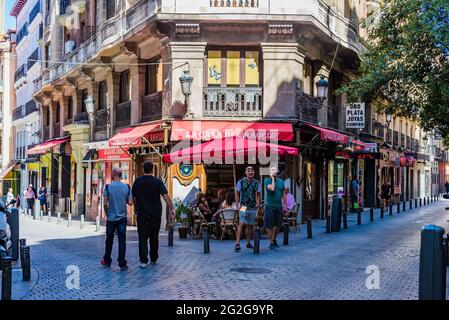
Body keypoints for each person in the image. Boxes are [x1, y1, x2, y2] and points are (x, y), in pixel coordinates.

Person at [132, 161, 175, 268]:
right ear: (152, 170)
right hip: (155, 213)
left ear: (143, 169)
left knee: (142, 237)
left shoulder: (137, 182)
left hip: (142, 213)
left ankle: (143, 261)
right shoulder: (158, 182)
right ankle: (154, 258)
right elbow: (165, 196)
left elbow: (133, 198)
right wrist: (172, 207)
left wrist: (136, 208)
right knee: (154, 236)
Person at [101, 167, 133, 271]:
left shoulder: (108, 187)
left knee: (109, 240)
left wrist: (107, 213)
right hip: (122, 218)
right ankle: (122, 263)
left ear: (113, 175)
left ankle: (107, 260)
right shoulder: (127, 187)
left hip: (111, 218)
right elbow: (130, 202)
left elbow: (105, 203)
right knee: (122, 241)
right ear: (121, 175)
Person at [235, 166, 261, 251]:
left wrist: (257, 202)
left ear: (254, 172)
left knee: (250, 225)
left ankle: (248, 242)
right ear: (245, 172)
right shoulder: (241, 182)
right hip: (243, 206)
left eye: (252, 170)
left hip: (252, 207)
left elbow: (257, 194)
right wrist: (237, 204)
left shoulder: (257, 182)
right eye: (248, 170)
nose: (250, 172)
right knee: (242, 223)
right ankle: (237, 243)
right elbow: (237, 193)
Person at [264, 165, 286, 250]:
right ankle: (271, 242)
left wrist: (285, 206)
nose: (274, 171)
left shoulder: (281, 182)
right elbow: (272, 189)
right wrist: (272, 179)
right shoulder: (267, 180)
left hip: (279, 206)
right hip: (270, 206)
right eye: (272, 170)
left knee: (278, 225)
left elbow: (284, 194)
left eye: (275, 170)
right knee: (269, 225)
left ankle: (274, 239)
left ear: (277, 172)